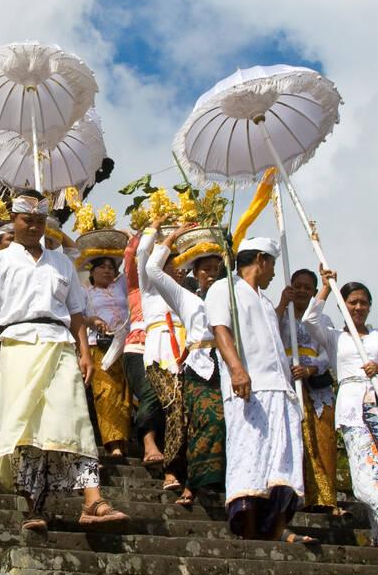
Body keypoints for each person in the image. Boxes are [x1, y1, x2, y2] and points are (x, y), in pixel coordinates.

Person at [0, 190, 130, 532]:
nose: (34, 227)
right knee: (26, 426)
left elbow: (77, 314)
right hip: (17, 345)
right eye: (28, 220)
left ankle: (92, 499)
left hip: (60, 343)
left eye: (40, 221)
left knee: (74, 418)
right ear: (14, 219)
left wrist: (85, 352)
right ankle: (31, 505)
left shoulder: (61, 263)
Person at [205, 237, 309, 544]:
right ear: (261, 260)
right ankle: (249, 533)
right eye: (273, 264)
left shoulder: (263, 300)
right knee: (251, 461)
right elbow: (220, 329)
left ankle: (274, 531)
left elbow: (267, 335)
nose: (275, 272)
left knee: (283, 468)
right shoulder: (224, 288)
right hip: (250, 389)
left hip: (280, 390)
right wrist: (237, 369)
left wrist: (282, 305)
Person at [308, 272, 378, 551]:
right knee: (367, 467)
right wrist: (327, 287)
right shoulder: (334, 337)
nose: (358, 307)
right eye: (352, 302)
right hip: (354, 406)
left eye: (364, 303)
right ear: (343, 306)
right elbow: (309, 320)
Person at [142, 223, 228, 507]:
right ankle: (187, 481)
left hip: (228, 367)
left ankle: (204, 484)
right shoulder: (186, 298)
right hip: (198, 366)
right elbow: (153, 270)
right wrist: (173, 236)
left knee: (223, 424)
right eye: (206, 269)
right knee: (200, 421)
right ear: (194, 272)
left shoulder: (232, 297)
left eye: (217, 268)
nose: (212, 274)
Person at [277, 269, 340, 514]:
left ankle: (325, 498)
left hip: (316, 382)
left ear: (314, 292)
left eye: (307, 287)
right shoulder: (283, 316)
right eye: (298, 286)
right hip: (288, 379)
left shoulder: (323, 320)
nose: (302, 291)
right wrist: (283, 303)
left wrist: (312, 369)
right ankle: (295, 495)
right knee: (294, 438)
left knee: (322, 437)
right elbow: (271, 335)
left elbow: (328, 351)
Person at [134, 227, 188, 493]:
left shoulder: (185, 295)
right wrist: (163, 231)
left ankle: (175, 469)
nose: (179, 270)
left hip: (185, 352)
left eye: (181, 266)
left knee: (180, 408)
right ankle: (156, 454)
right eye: (172, 264)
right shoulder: (149, 288)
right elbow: (143, 252)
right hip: (158, 349)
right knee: (162, 399)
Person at [121, 231, 168, 473]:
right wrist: (150, 229)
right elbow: (131, 254)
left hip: (168, 349)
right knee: (150, 393)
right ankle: (148, 443)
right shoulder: (136, 286)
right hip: (138, 346)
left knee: (168, 398)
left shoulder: (172, 289)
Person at [82, 255, 132, 459]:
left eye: (111, 267)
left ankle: (125, 439)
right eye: (101, 267)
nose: (107, 271)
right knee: (107, 393)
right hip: (99, 346)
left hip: (127, 345)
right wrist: (92, 320)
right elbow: (78, 317)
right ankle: (113, 442)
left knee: (126, 396)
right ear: (92, 271)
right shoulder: (84, 291)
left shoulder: (121, 287)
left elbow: (130, 262)